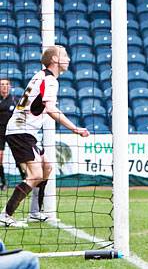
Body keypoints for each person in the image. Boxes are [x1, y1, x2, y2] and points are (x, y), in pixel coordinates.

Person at [0, 46, 89, 227]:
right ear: (55, 60)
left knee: (47, 167)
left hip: (26, 131)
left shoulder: (42, 75)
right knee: (35, 174)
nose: (68, 59)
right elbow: (50, 109)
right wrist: (75, 128)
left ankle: (34, 212)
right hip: (21, 131)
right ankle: (5, 214)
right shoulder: (49, 80)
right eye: (64, 56)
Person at [0, 79, 18, 190]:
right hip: (0, 133)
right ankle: (4, 183)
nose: (4, 87)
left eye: (6, 84)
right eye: (2, 84)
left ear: (10, 86)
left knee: (19, 157)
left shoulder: (15, 100)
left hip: (12, 132)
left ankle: (25, 180)